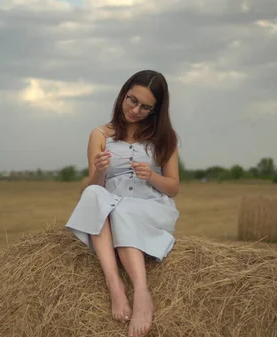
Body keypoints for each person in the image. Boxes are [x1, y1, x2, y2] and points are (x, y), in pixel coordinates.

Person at [64, 70, 180, 337]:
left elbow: (174, 187)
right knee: (92, 196)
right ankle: (114, 284)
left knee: (122, 208)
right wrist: (100, 171)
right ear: (123, 94)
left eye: (145, 107)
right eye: (132, 100)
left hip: (150, 205)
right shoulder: (100, 135)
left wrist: (152, 175)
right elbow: (95, 187)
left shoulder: (165, 138)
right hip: (112, 203)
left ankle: (141, 293)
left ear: (156, 110)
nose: (136, 110)